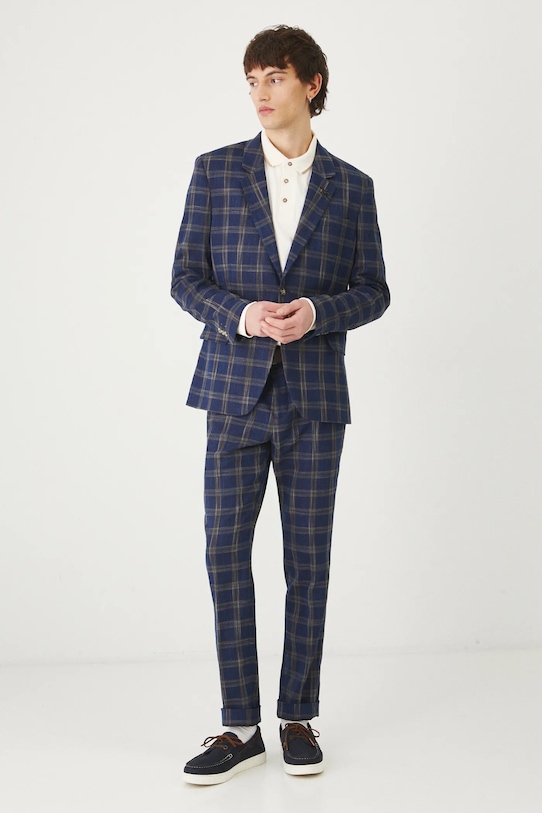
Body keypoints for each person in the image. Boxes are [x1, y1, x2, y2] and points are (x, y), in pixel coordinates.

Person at [171, 24, 390, 784]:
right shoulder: (214, 171)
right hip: (233, 395)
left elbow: (374, 289)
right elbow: (184, 278)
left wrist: (318, 313)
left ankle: (298, 715)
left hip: (314, 400)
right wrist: (242, 314)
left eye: (274, 77)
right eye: (252, 80)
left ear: (311, 85)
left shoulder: (352, 187)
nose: (260, 92)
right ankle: (240, 726)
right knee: (224, 554)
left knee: (308, 559)